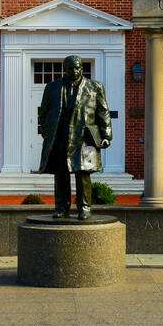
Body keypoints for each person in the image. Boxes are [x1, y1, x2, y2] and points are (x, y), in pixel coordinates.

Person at [38, 55, 112, 219]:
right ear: (65, 69)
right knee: (61, 174)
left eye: (78, 67)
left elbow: (103, 112)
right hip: (60, 136)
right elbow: (43, 112)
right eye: (71, 68)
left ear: (82, 68)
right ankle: (61, 207)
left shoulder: (95, 87)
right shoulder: (52, 88)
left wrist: (106, 135)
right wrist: (46, 131)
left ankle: (84, 208)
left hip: (85, 137)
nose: (75, 71)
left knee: (83, 174)